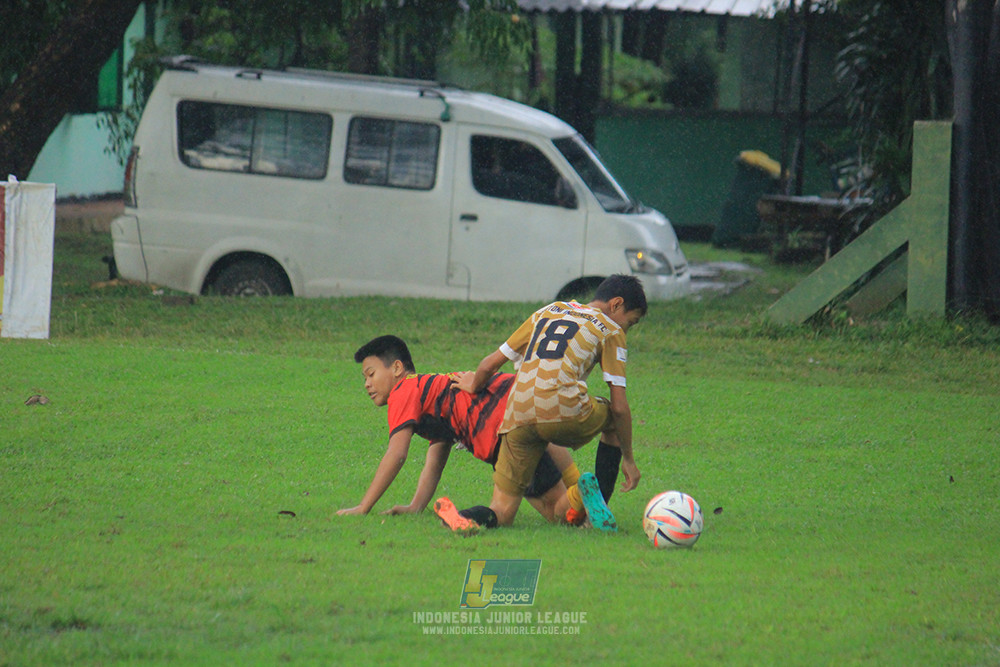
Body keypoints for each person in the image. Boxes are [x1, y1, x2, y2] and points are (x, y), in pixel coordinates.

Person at [434, 274, 646, 533]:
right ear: (616, 304)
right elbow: (621, 406)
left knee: (502, 511)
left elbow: (490, 363)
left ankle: (463, 517)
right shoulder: (611, 329)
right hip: (563, 408)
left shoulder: (548, 311)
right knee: (614, 418)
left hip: (516, 414)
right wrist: (628, 459)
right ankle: (594, 513)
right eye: (631, 322)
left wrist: (473, 384)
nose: (626, 329)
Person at [336, 335, 584, 522]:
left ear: (397, 369)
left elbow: (397, 453)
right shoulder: (432, 393)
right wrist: (415, 506)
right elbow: (435, 461)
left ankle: (582, 494)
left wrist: (363, 506)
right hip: (524, 397)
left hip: (503, 430)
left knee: (548, 513)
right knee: (555, 502)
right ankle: (581, 491)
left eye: (370, 374)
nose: (367, 384)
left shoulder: (403, 391)